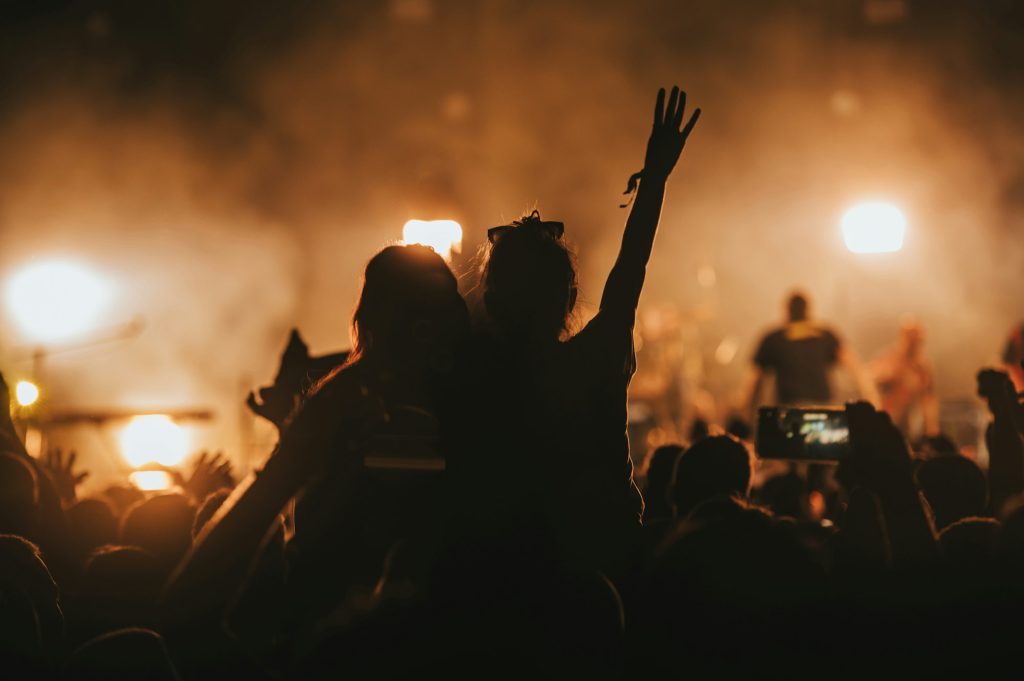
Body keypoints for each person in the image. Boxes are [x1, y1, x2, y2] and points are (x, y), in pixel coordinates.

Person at [164, 244, 470, 635]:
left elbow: (186, 601)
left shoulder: (341, 399)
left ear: (368, 315)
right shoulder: (472, 401)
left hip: (330, 631)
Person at [471, 86, 700, 577]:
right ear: (571, 299)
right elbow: (630, 268)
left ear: (491, 300)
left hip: (504, 570)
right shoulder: (595, 357)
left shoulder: (468, 375)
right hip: (603, 559)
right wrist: (654, 178)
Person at [742, 291, 878, 414]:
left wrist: (746, 414)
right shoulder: (825, 334)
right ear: (808, 309)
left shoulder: (774, 338)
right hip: (822, 409)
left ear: (787, 310)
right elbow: (854, 366)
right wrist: (871, 399)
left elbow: (755, 381)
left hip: (789, 410)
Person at [871, 318, 940, 438]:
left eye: (916, 339)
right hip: (889, 420)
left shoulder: (922, 368)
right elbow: (870, 379)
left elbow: (928, 399)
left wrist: (932, 428)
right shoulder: (890, 360)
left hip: (911, 421)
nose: (913, 344)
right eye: (910, 338)